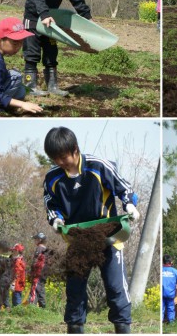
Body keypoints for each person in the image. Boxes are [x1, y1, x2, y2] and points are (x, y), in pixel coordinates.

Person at [43, 126, 139, 334]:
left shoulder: (98, 166)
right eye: (54, 159)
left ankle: (123, 327)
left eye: (63, 157)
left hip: (108, 236)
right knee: (75, 290)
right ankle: (75, 327)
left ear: (75, 150)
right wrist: (56, 221)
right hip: (78, 240)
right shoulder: (52, 178)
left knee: (116, 288)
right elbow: (51, 204)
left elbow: (124, 188)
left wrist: (130, 204)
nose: (60, 162)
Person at [162, 255, 177, 323]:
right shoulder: (174, 271)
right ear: (171, 262)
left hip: (162, 293)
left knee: (162, 308)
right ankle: (171, 323)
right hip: (170, 294)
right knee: (171, 309)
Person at [27, 232, 48, 308]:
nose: (34, 240)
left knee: (34, 290)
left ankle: (31, 308)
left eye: (36, 239)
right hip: (43, 274)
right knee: (41, 291)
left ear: (40, 239)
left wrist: (31, 272)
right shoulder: (46, 249)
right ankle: (43, 309)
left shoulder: (39, 248)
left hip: (38, 274)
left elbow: (35, 263)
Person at [0, 240, 13, 311]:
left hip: (1, 280)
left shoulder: (0, 259)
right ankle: (8, 309)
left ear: (0, 249)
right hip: (8, 280)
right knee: (6, 296)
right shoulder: (10, 259)